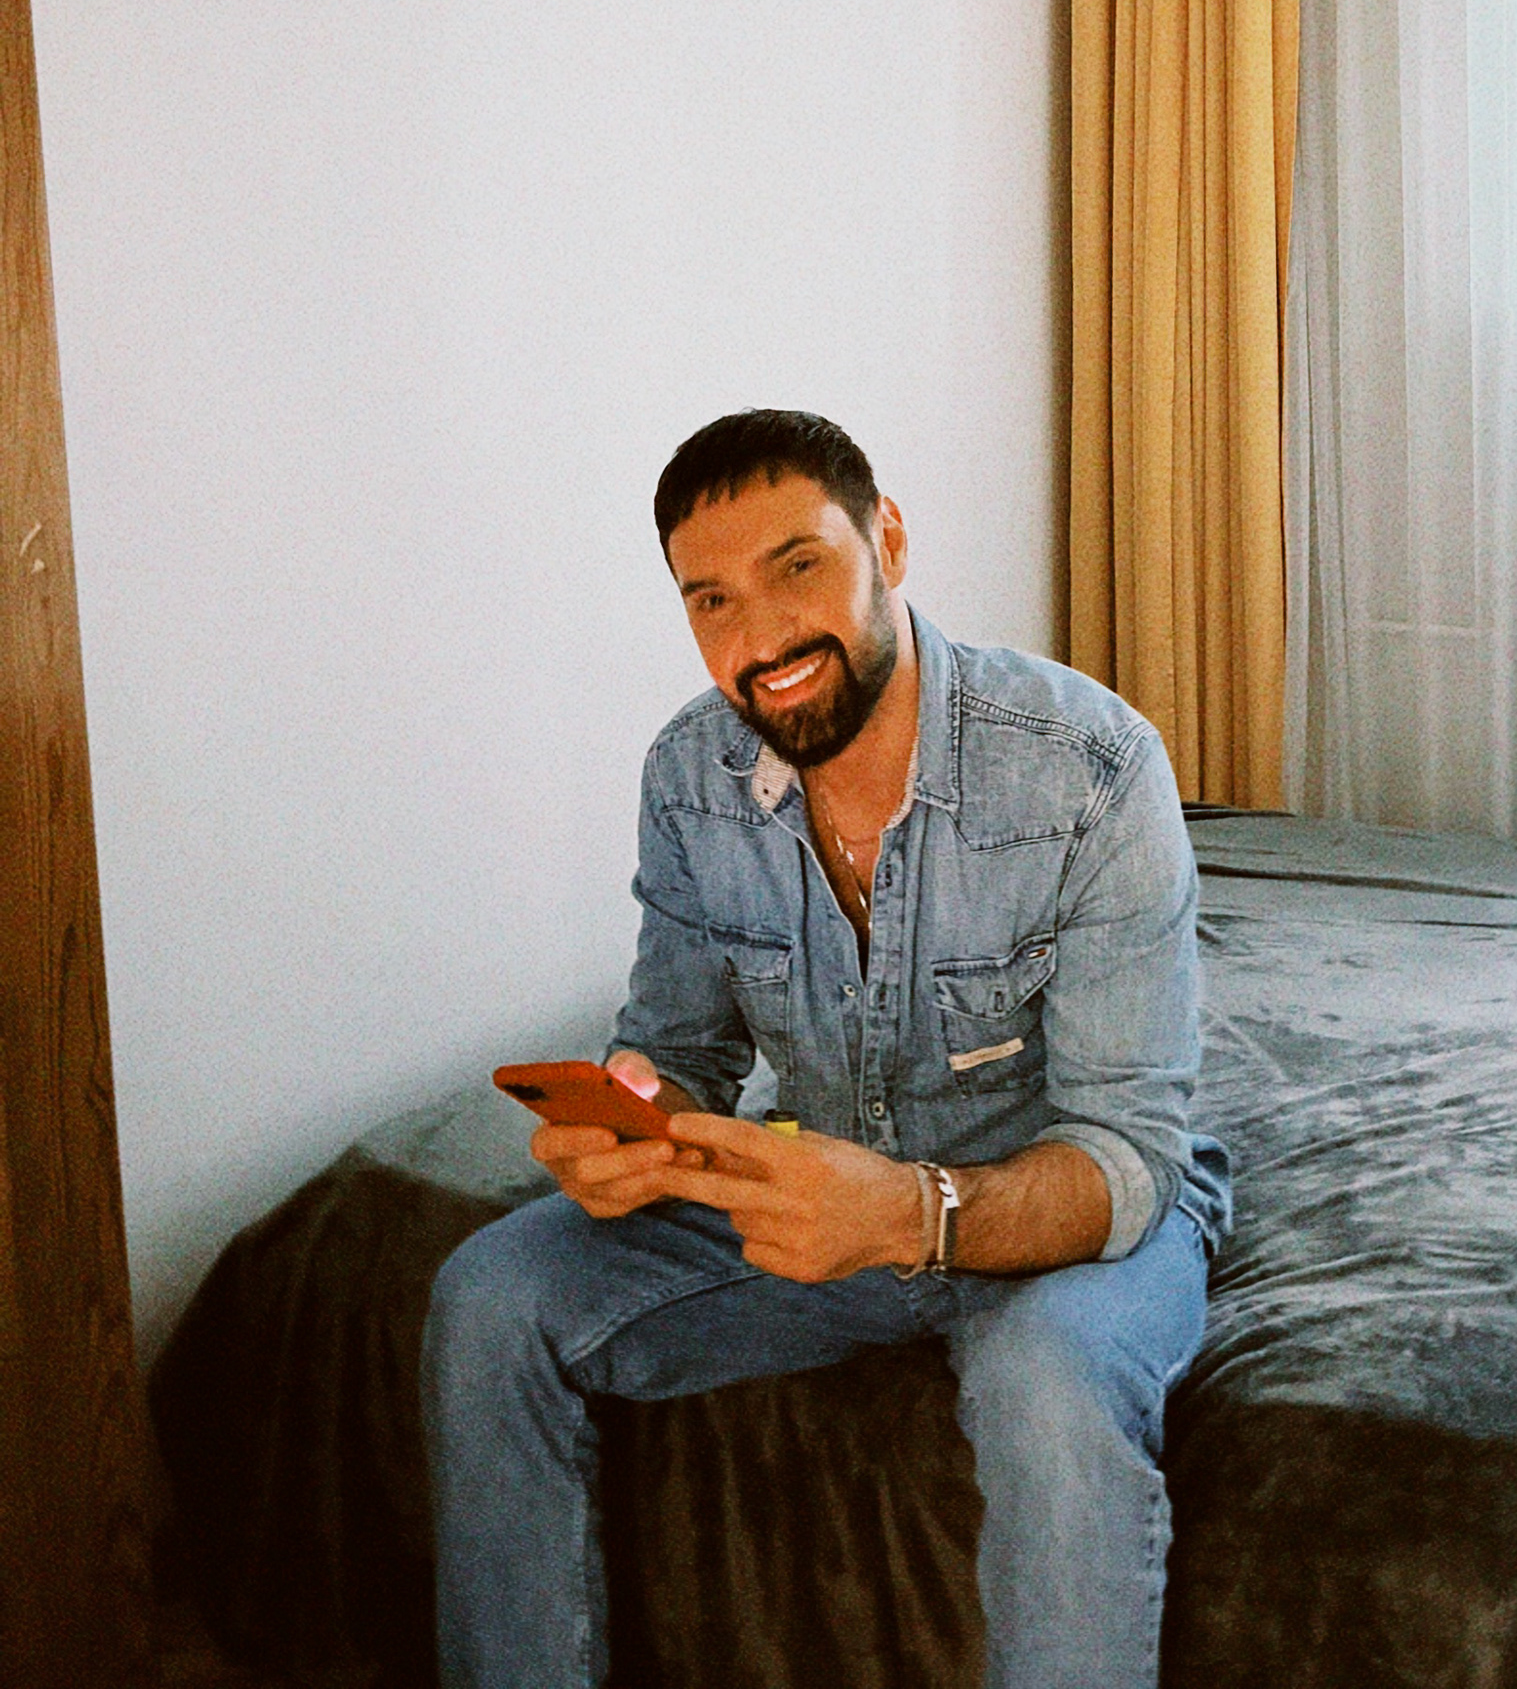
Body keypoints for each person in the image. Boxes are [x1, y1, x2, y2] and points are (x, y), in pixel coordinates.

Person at [423, 407, 1229, 1689]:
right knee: (488, 1298)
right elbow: (675, 1045)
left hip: (1062, 1212)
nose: (759, 641)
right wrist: (631, 1120)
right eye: (711, 602)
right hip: (820, 1203)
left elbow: (1129, 1157)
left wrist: (910, 1213)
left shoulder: (1092, 768)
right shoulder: (690, 778)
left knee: (1048, 1386)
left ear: (886, 542)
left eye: (796, 566)